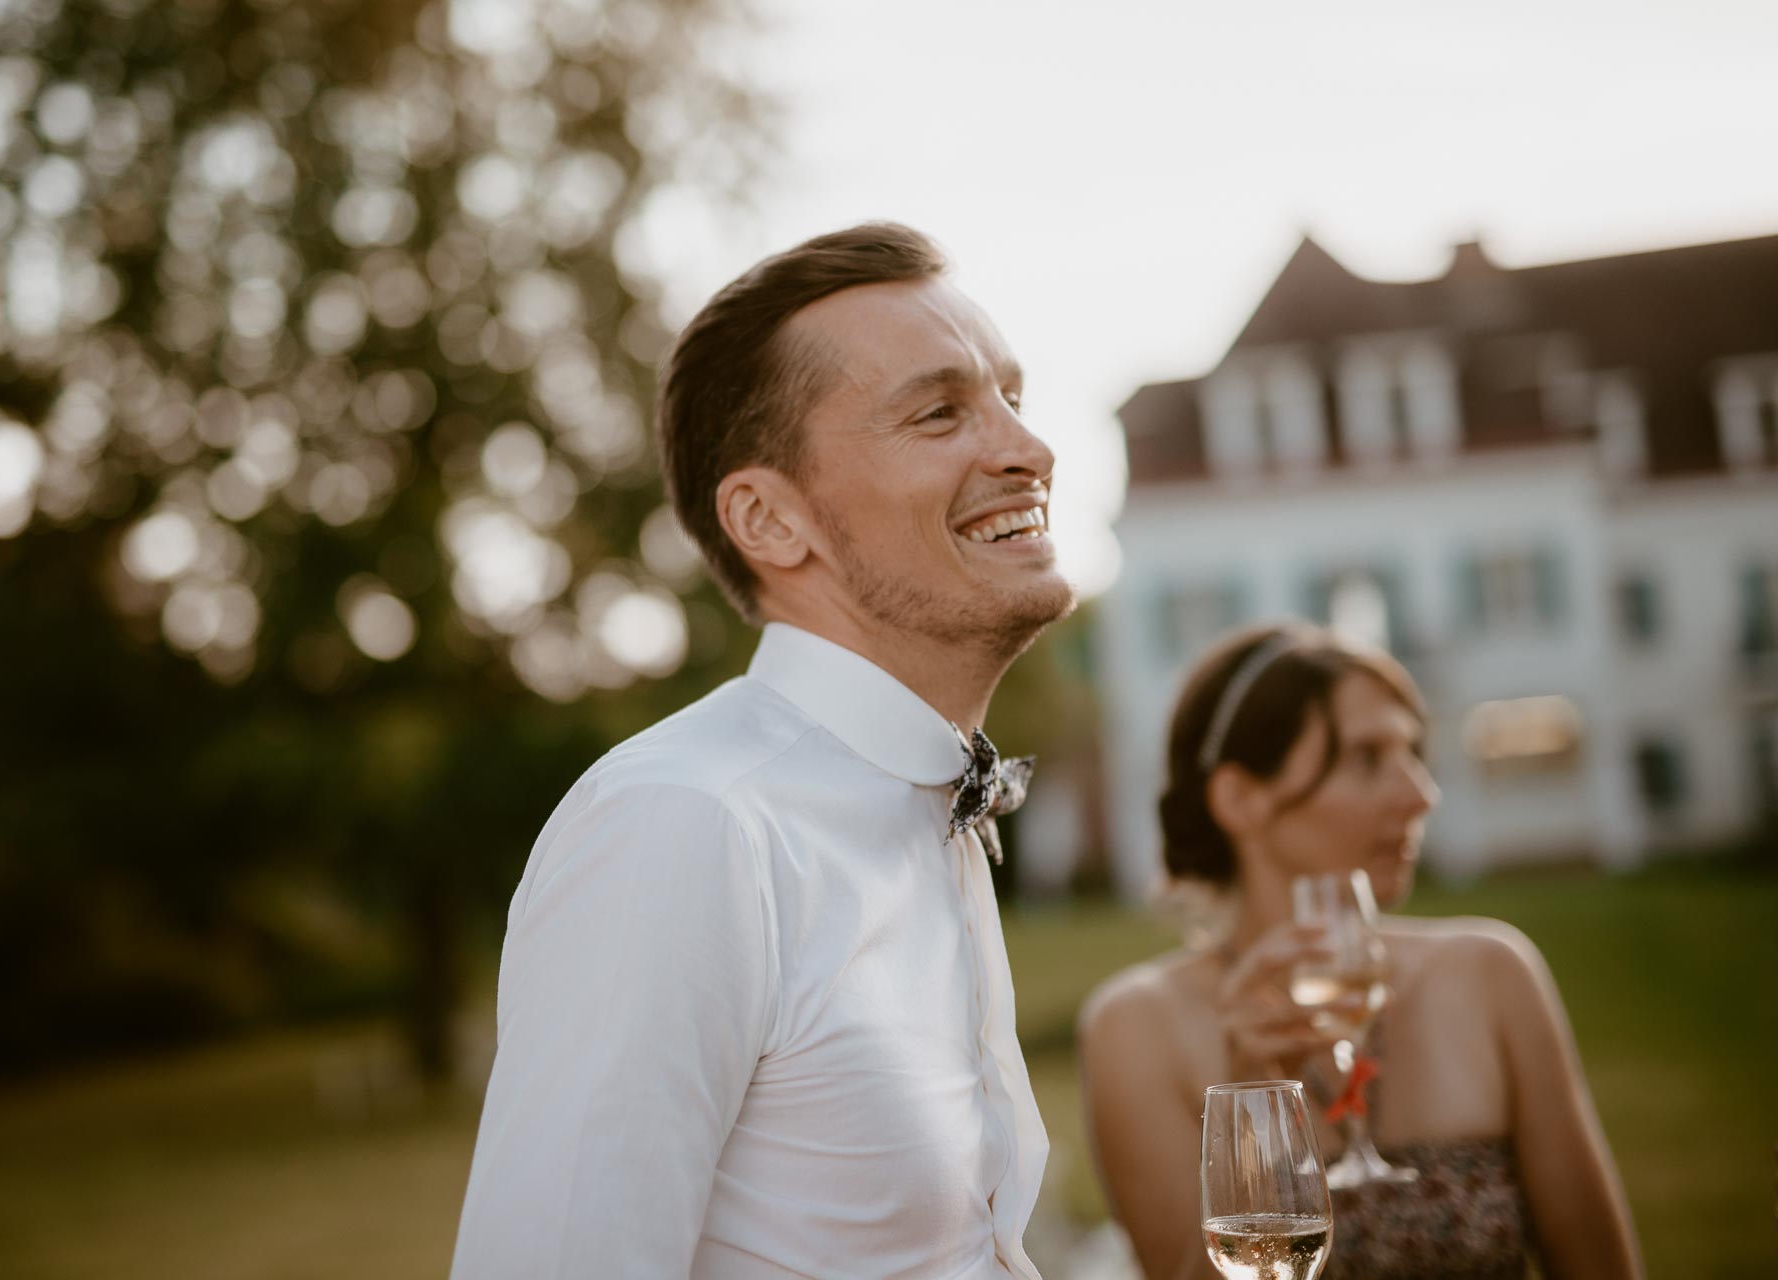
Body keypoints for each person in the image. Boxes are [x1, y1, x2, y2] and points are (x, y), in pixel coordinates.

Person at [451, 222, 1076, 1278]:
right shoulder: (687, 826)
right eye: (939, 412)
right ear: (770, 521)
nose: (1025, 446)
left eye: (1011, 397)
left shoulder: (922, 800)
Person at [1075, 621, 1644, 1279]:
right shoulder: (1137, 1027)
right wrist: (1255, 1113)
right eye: (1367, 758)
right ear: (1240, 798)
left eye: (1413, 754)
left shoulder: (1494, 974)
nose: (1420, 795)